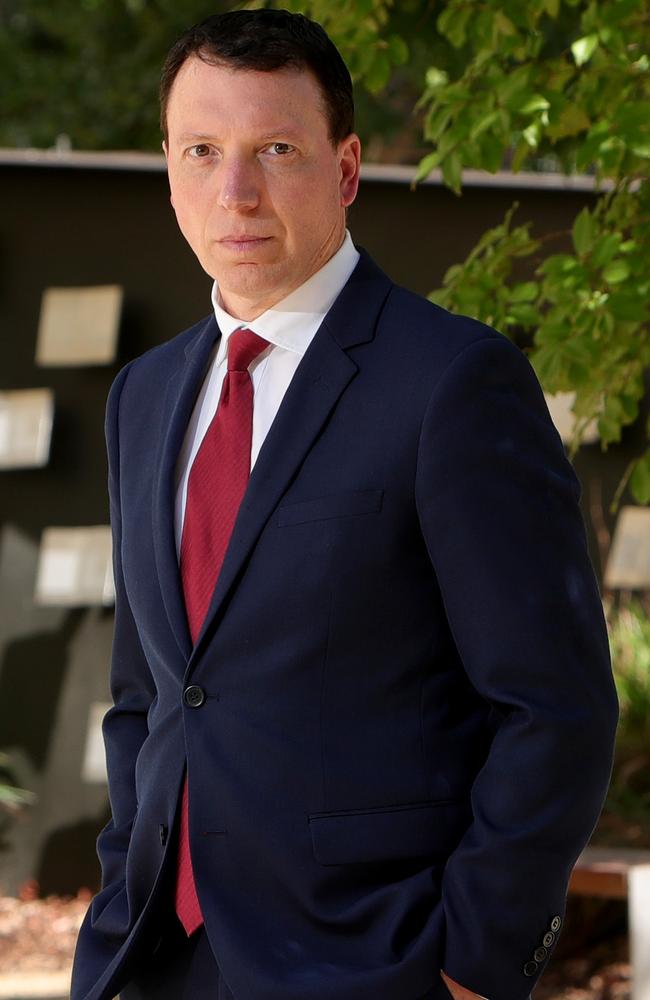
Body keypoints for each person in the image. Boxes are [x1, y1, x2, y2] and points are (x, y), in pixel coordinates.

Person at [71, 9, 619, 1000]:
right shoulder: (143, 396)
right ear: (166, 165)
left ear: (346, 166)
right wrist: (120, 888)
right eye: (200, 151)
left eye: (274, 149)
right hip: (152, 959)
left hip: (373, 963)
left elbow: (555, 707)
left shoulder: (450, 382)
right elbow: (149, 697)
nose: (232, 191)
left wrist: (468, 964)